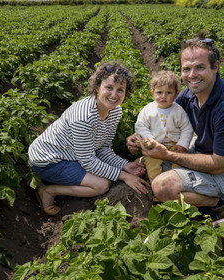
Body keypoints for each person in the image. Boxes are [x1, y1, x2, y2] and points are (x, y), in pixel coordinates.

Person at [127, 37, 224, 218]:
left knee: (162, 186)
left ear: (216, 67)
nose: (192, 75)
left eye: (200, 67)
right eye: (186, 69)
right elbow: (165, 114)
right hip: (200, 152)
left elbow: (219, 166)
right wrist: (138, 137)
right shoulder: (189, 95)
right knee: (142, 164)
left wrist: (167, 155)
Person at [29, 61, 149, 215]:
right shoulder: (83, 118)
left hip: (73, 155)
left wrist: (125, 165)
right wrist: (125, 177)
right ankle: (49, 191)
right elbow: (88, 161)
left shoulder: (115, 112)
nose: (114, 95)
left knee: (104, 176)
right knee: (101, 185)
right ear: (97, 87)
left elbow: (102, 148)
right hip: (49, 161)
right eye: (109, 88)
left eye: (121, 90)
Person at [134, 70, 194, 184]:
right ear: (152, 93)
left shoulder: (179, 110)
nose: (163, 96)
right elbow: (141, 126)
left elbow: (187, 128)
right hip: (154, 145)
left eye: (169, 93)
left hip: (174, 145)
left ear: (176, 94)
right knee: (152, 166)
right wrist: (149, 139)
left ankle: (176, 186)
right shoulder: (148, 110)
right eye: (159, 92)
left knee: (179, 166)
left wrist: (182, 144)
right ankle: (156, 187)